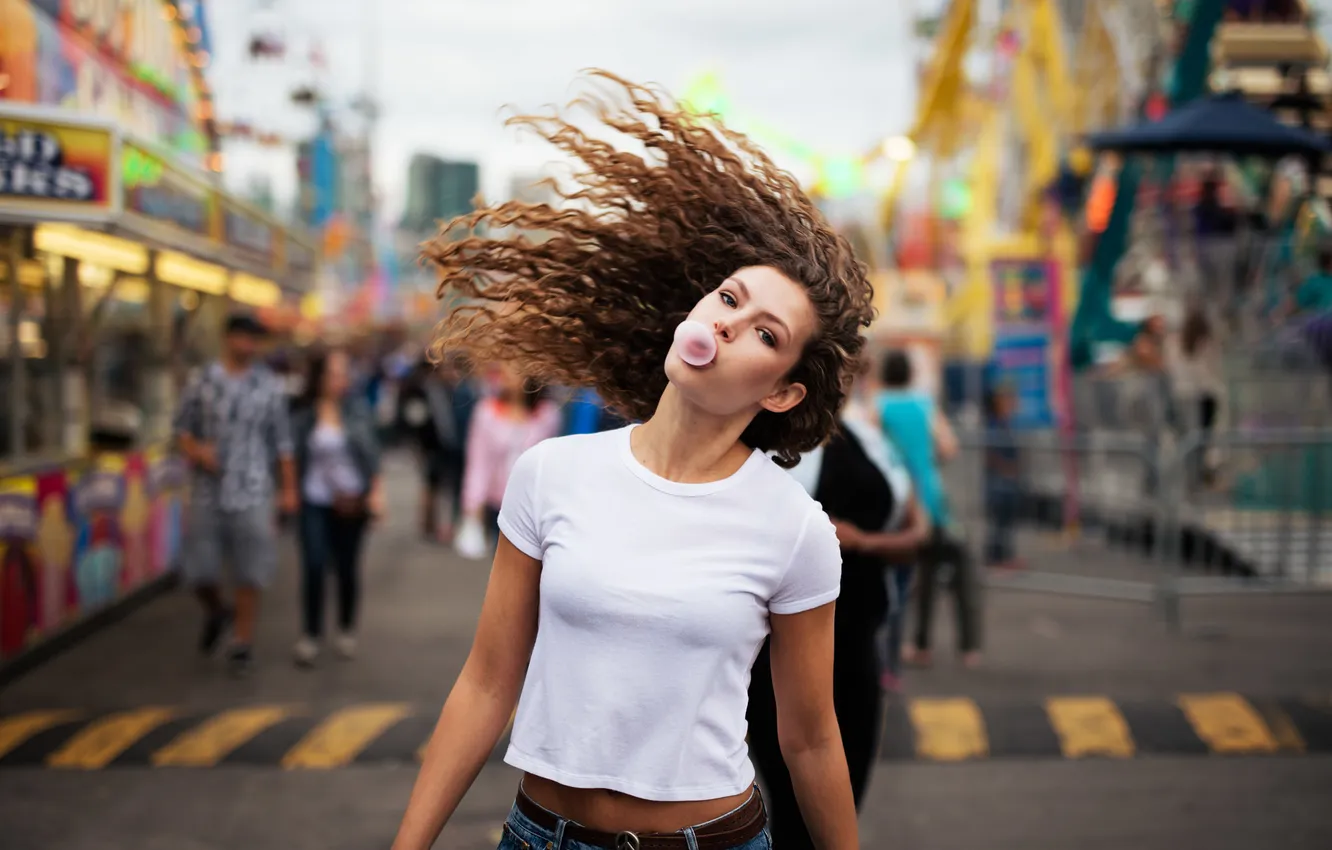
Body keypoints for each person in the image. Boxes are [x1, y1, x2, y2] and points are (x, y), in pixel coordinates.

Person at [392, 71, 875, 850]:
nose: (725, 325)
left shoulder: (795, 531)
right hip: (539, 836)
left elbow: (810, 741)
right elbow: (486, 682)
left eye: (764, 332)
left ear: (783, 393)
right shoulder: (553, 473)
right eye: (727, 298)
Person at [747, 366, 928, 849]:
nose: (845, 374)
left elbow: (918, 532)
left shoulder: (872, 438)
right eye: (836, 359)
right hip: (779, 658)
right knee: (791, 815)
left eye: (854, 363)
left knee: (841, 810)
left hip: (856, 651)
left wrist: (863, 541)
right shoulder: (770, 439)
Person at [173, 313, 298, 676]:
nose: (250, 345)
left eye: (255, 339)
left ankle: (242, 642)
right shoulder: (203, 381)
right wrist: (197, 452)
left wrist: (289, 490)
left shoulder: (269, 385)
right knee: (199, 569)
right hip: (209, 490)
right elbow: (181, 428)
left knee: (250, 569)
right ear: (229, 338)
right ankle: (216, 610)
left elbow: (284, 443)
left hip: (254, 487)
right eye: (244, 337)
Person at [876, 349, 982, 670]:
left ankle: (906, 650)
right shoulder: (924, 404)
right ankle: (968, 648)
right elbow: (949, 446)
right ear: (909, 374)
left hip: (894, 501)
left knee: (905, 579)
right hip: (931, 499)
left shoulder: (877, 406)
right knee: (949, 567)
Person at [290, 348, 384, 667]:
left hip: (351, 501)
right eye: (333, 373)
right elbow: (290, 456)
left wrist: (375, 494)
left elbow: (373, 455)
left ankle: (346, 628)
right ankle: (311, 634)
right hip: (315, 500)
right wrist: (287, 492)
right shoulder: (303, 414)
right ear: (318, 377)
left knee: (346, 567)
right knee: (314, 565)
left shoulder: (357, 410)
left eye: (344, 373)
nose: (339, 380)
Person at [459, 362, 562, 549]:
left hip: (534, 506)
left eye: (514, 369)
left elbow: (552, 464)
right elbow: (478, 463)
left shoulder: (548, 415)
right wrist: (473, 505)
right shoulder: (486, 412)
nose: (504, 374)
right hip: (498, 504)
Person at [983, 383, 1023, 570]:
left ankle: (1004, 557)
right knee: (999, 524)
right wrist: (1007, 468)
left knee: (1006, 523)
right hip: (999, 484)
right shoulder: (994, 425)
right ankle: (996, 559)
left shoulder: (1005, 424)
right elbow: (991, 454)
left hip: (1007, 483)